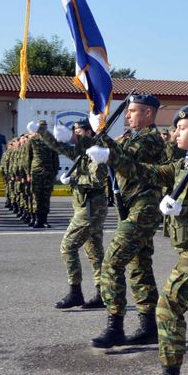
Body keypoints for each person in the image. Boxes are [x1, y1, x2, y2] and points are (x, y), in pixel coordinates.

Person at [90, 103, 188, 375]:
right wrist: (110, 155)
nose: (175, 133)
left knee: (167, 308)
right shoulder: (185, 163)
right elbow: (146, 172)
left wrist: (183, 211)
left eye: (182, 128)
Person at [70, 94, 165, 349]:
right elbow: (110, 152)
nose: (128, 115)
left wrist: (101, 134)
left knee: (112, 263)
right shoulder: (133, 137)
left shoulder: (150, 139)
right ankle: (149, 327)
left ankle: (115, 326)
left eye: (133, 111)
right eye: (128, 111)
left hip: (143, 209)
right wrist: (87, 137)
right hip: (131, 206)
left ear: (148, 113)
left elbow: (123, 159)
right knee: (139, 265)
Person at [32, 115, 108, 309]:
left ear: (88, 132)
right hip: (86, 205)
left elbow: (97, 180)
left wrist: (74, 179)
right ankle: (102, 294)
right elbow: (59, 147)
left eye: (78, 131)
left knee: (68, 246)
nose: (75, 134)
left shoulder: (96, 151)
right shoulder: (82, 151)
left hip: (91, 207)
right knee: (94, 251)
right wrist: (42, 132)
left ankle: (75, 293)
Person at [27, 120, 59, 229]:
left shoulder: (51, 140)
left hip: (48, 172)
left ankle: (44, 220)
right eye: (41, 127)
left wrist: (55, 172)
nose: (43, 128)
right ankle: (37, 219)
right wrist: (27, 173)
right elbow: (28, 158)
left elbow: (55, 157)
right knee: (36, 196)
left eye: (44, 127)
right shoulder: (33, 140)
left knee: (46, 197)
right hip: (36, 172)